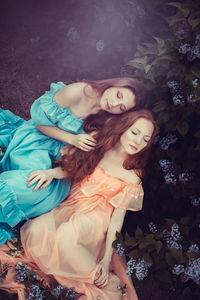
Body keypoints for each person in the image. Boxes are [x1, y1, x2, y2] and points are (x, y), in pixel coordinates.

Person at [0, 109, 158, 300]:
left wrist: (107, 259)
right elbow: (74, 169)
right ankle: (62, 268)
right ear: (124, 128)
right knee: (37, 231)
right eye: (135, 132)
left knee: (66, 238)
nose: (138, 141)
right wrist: (51, 173)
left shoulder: (132, 175)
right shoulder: (101, 144)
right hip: (72, 202)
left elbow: (117, 219)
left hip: (96, 215)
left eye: (145, 139)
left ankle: (96, 276)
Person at [0, 77, 146, 245]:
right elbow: (40, 124)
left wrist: (54, 171)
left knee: (44, 191)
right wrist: (72, 139)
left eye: (121, 108)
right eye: (118, 95)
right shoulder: (78, 91)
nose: (113, 104)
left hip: (61, 162)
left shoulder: (107, 121)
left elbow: (81, 161)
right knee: (27, 181)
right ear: (115, 84)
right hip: (38, 141)